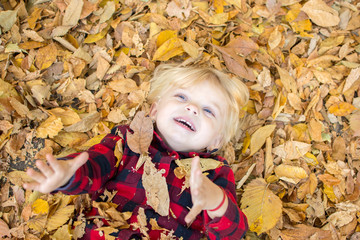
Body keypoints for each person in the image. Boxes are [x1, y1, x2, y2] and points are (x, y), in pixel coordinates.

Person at [24, 64, 249, 239]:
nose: (192, 108)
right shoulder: (127, 140)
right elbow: (95, 166)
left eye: (208, 110)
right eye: (181, 97)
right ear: (154, 110)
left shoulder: (216, 173)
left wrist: (217, 202)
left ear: (216, 141)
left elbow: (234, 233)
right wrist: (67, 175)